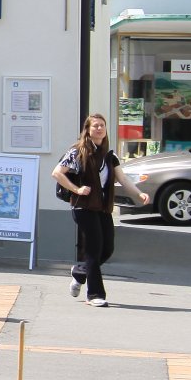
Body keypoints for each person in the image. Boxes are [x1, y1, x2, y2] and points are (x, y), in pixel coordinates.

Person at [51, 113, 147, 307]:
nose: (99, 128)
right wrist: (77, 189)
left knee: (107, 248)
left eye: (102, 125)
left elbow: (123, 179)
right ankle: (94, 294)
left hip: (102, 207)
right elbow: (57, 173)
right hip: (83, 206)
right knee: (94, 249)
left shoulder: (109, 155)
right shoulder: (78, 152)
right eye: (95, 126)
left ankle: (80, 272)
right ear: (87, 130)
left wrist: (139, 194)